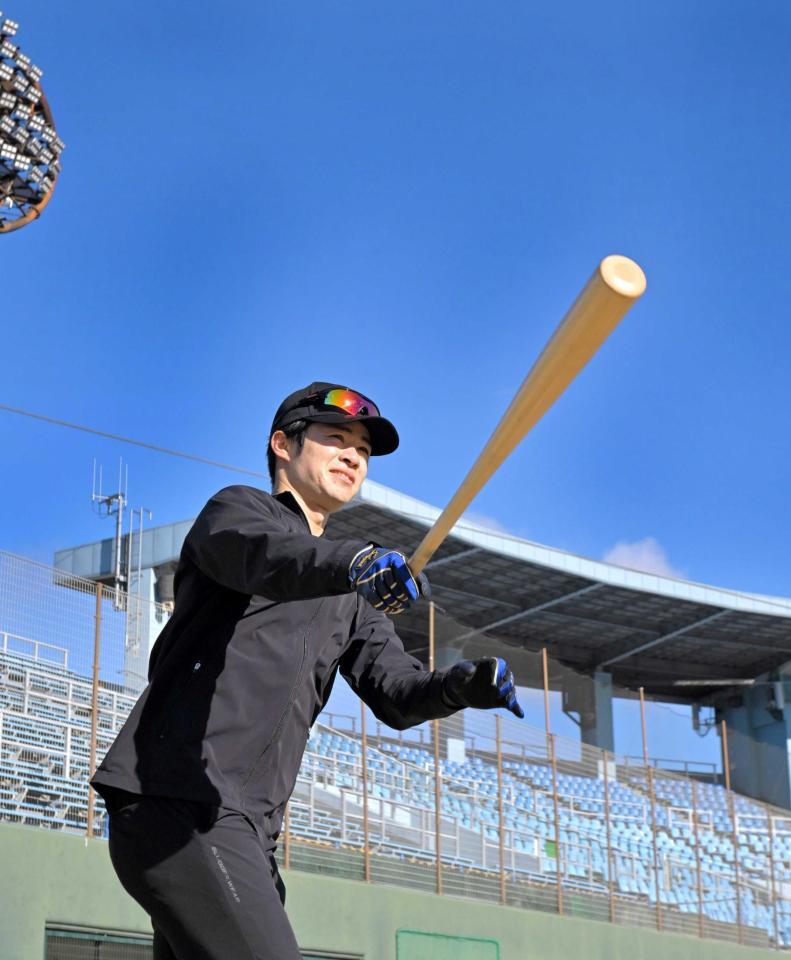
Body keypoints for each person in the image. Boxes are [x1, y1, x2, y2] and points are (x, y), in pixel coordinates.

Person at [91, 382, 523, 960]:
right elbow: (272, 558)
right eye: (336, 439)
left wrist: (461, 685)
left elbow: (396, 692)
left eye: (363, 452)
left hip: (246, 832)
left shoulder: (351, 597)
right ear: (282, 446)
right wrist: (357, 561)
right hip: (183, 803)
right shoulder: (238, 513)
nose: (353, 457)